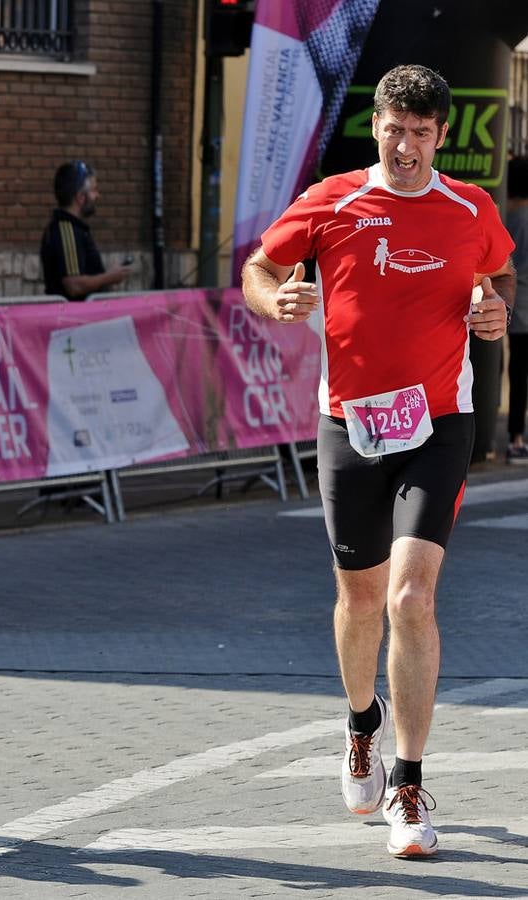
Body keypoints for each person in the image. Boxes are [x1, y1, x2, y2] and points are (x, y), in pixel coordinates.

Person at [241, 65, 516, 858]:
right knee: (359, 601)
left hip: (438, 423)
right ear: (377, 125)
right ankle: (362, 722)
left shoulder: (471, 208)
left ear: (440, 137)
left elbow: (496, 273)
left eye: (422, 133)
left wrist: (496, 309)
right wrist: (275, 300)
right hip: (351, 426)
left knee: (411, 600)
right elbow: (262, 268)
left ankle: (408, 781)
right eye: (395, 129)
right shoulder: (332, 200)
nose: (405, 145)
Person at [40, 160, 133, 301]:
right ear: (81, 197)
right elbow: (74, 285)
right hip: (75, 319)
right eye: (94, 190)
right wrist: (109, 278)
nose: (97, 196)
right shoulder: (66, 230)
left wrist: (106, 277)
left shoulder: (75, 228)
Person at [504, 156, 528, 463]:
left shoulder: (505, 213)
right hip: (523, 304)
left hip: (507, 300)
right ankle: (516, 438)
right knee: (520, 372)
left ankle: (515, 437)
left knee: (510, 371)